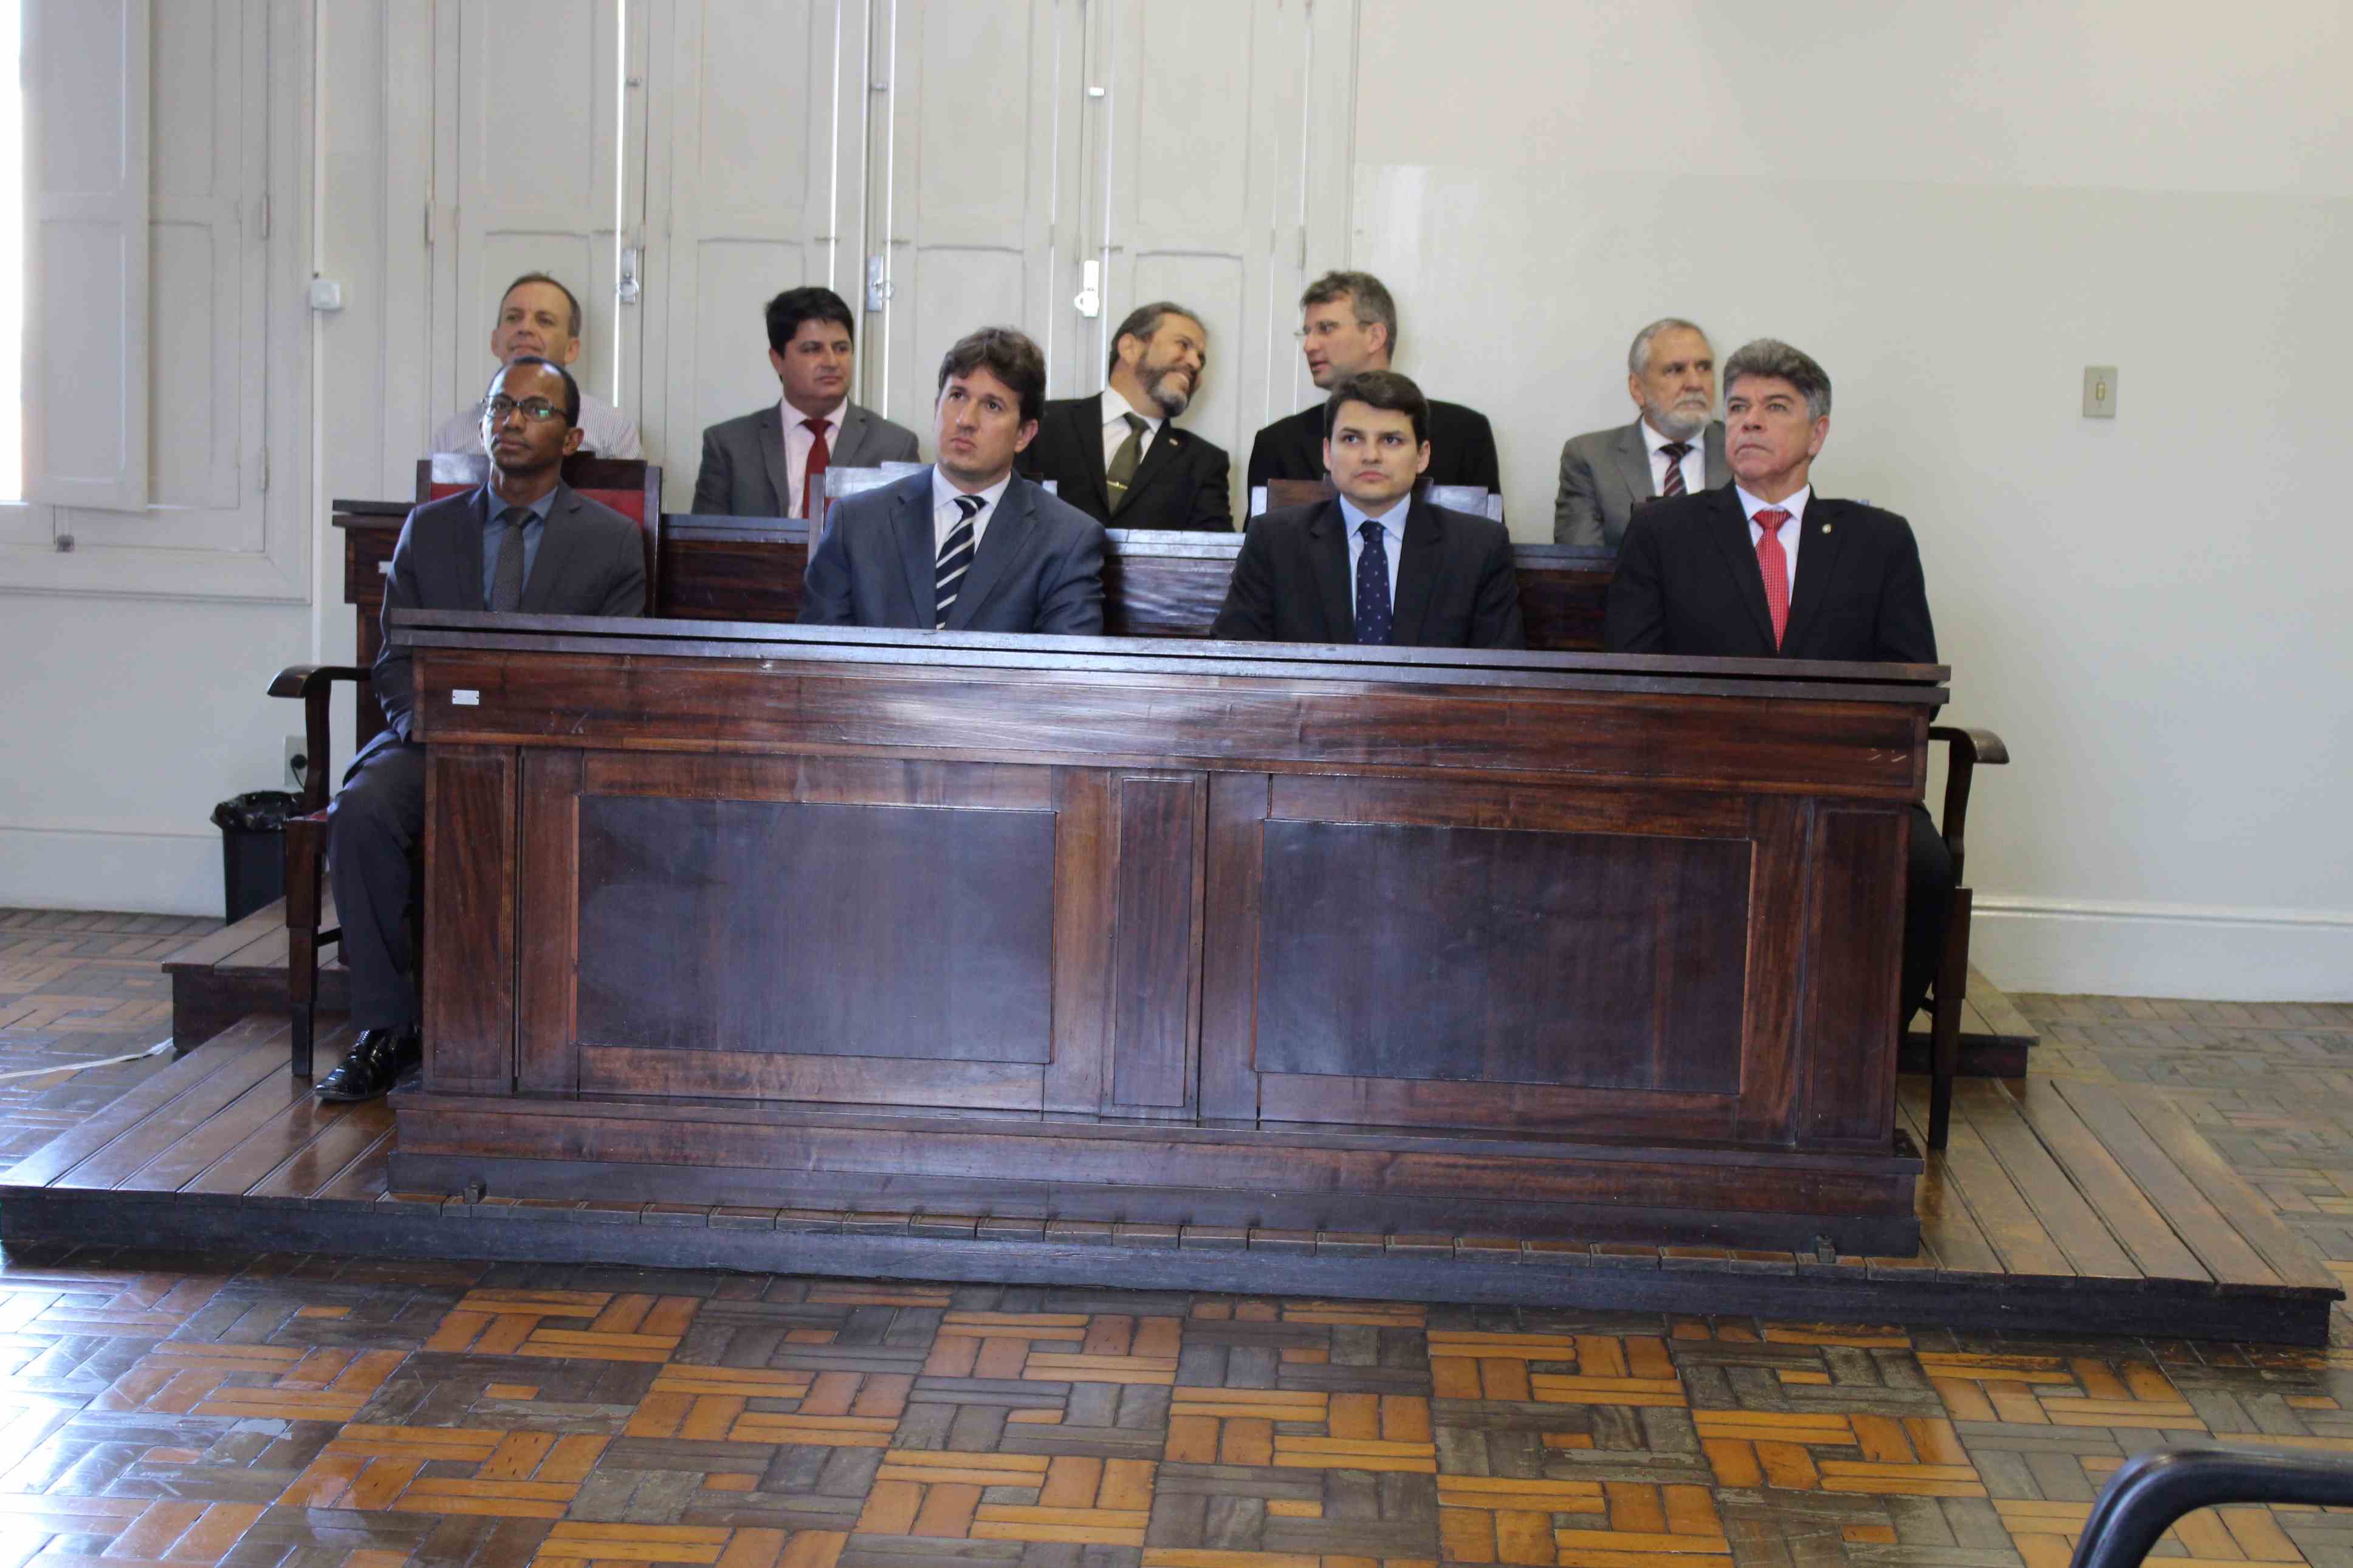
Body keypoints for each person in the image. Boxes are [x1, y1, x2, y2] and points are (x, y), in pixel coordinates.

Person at [323, 358, 647, 1102]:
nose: (511, 421)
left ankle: (573, 1029)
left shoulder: (611, 540)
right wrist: (430, 730)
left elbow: (613, 674)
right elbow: (394, 658)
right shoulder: (430, 529)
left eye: (534, 409)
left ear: (571, 438)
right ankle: (384, 1030)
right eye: (500, 406)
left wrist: (536, 744)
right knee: (361, 811)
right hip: (434, 739)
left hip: (554, 751)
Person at [1604, 338, 1951, 1023]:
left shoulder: (1878, 541)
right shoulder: (1664, 532)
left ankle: (1866, 1047)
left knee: (1924, 865)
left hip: (1841, 781)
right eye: (1737, 408)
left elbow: (1910, 685)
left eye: (1774, 407)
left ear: (1817, 433)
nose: (1749, 421)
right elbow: (1631, 673)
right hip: (1702, 776)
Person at [799, 327, 1104, 634]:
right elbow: (816, 653)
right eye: (957, 396)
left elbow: (1065, 663)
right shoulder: (856, 523)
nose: (965, 420)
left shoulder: (1067, 540)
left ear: (1024, 434)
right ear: (936, 408)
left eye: (992, 405)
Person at [1214, 370, 1523, 649]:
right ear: (1327, 453)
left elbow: (1500, 675)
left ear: (1422, 455)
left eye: (1391, 440)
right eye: (1352, 439)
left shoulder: (1479, 548)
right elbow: (1234, 658)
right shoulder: (1273, 540)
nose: (1371, 456)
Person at [1245, 270, 1501, 503]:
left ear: (1375, 337)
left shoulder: (1465, 435)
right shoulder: (1278, 444)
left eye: (1326, 328)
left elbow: (1486, 538)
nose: (1309, 346)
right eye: (1308, 333)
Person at [691, 286, 921, 518]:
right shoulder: (729, 446)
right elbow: (704, 538)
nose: (832, 362)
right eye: (812, 350)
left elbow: (908, 537)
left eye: (841, 348)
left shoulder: (895, 447)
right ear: (777, 360)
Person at [1017, 301, 1231, 531]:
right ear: (1130, 348)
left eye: (1201, 359)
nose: (1195, 364)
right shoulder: (1042, 423)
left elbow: (1215, 549)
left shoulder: (1204, 463)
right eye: (1183, 345)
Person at [1554, 317, 1732, 549]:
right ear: (1638, 389)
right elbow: (1583, 563)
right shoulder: (1591, 458)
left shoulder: (1746, 449)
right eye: (1676, 370)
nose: (1695, 383)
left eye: (1704, 368)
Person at [430, 273, 644, 459]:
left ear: (571, 349)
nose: (525, 328)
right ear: (495, 342)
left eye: (544, 321)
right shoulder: (451, 437)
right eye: (513, 318)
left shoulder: (613, 431)